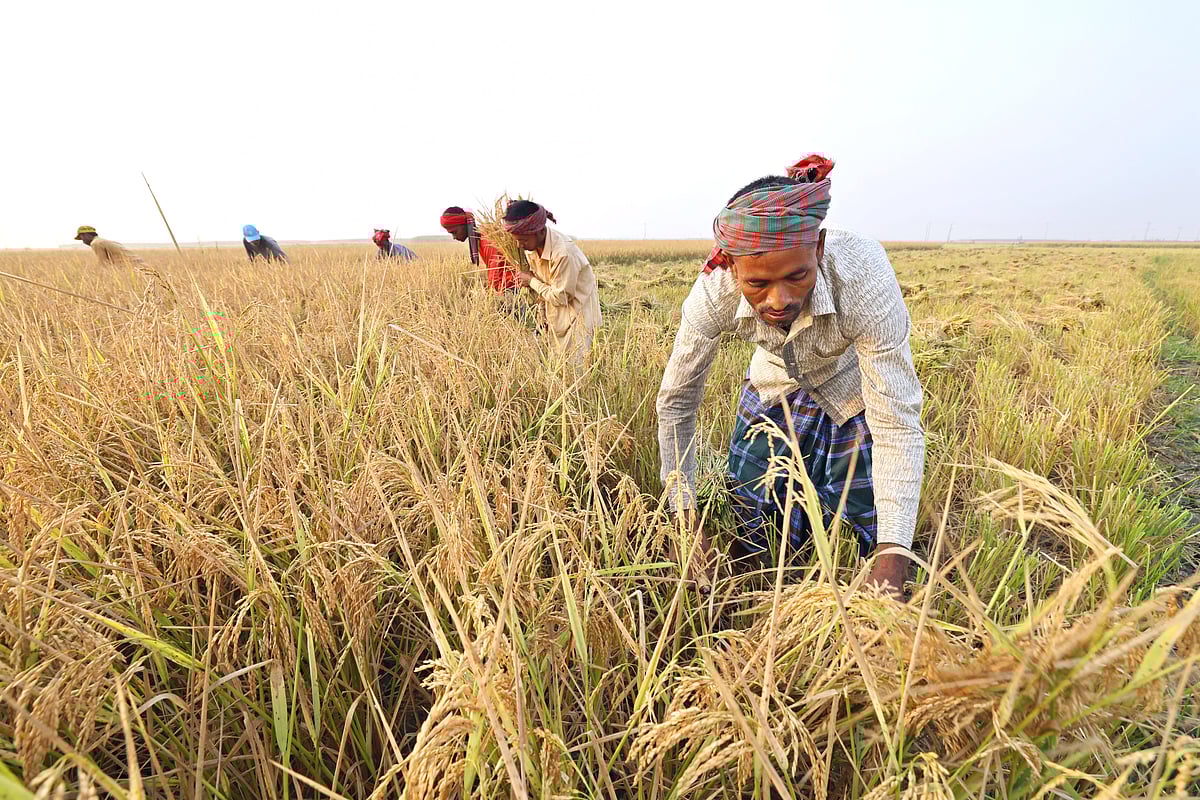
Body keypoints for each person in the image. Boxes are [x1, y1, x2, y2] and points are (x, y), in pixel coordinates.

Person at [655, 155, 924, 598]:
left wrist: (893, 554)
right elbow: (676, 402)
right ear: (733, 267)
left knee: (862, 533)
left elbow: (896, 420)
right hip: (772, 383)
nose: (778, 300)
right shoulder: (713, 292)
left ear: (817, 249)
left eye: (797, 276)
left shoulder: (864, 278)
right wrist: (684, 519)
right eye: (758, 284)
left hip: (847, 388)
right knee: (751, 525)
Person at [503, 201, 601, 365]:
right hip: (556, 314)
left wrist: (530, 281)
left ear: (539, 231)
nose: (519, 245)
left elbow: (560, 297)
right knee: (557, 366)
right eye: (517, 240)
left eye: (523, 240)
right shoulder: (530, 248)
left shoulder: (563, 253)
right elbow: (545, 285)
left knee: (576, 371)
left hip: (579, 316)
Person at [439, 207, 517, 293]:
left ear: (464, 225)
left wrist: (492, 294)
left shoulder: (487, 237)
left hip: (512, 286)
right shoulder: (480, 237)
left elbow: (495, 268)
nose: (454, 237)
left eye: (454, 232)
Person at [74, 226, 144, 265]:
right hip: (140, 265)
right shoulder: (102, 241)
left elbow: (104, 264)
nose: (83, 241)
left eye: (81, 237)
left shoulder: (95, 243)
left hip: (132, 267)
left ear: (86, 235)